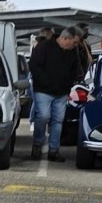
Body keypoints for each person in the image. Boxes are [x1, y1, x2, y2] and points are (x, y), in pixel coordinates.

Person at [27, 25, 85, 162]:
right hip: (43, 91)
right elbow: (34, 66)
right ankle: (37, 145)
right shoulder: (44, 47)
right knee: (43, 117)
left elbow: (75, 69)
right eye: (74, 42)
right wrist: (46, 82)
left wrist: (69, 84)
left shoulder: (73, 51)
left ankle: (54, 150)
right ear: (65, 38)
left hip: (62, 92)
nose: (75, 45)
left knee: (58, 121)